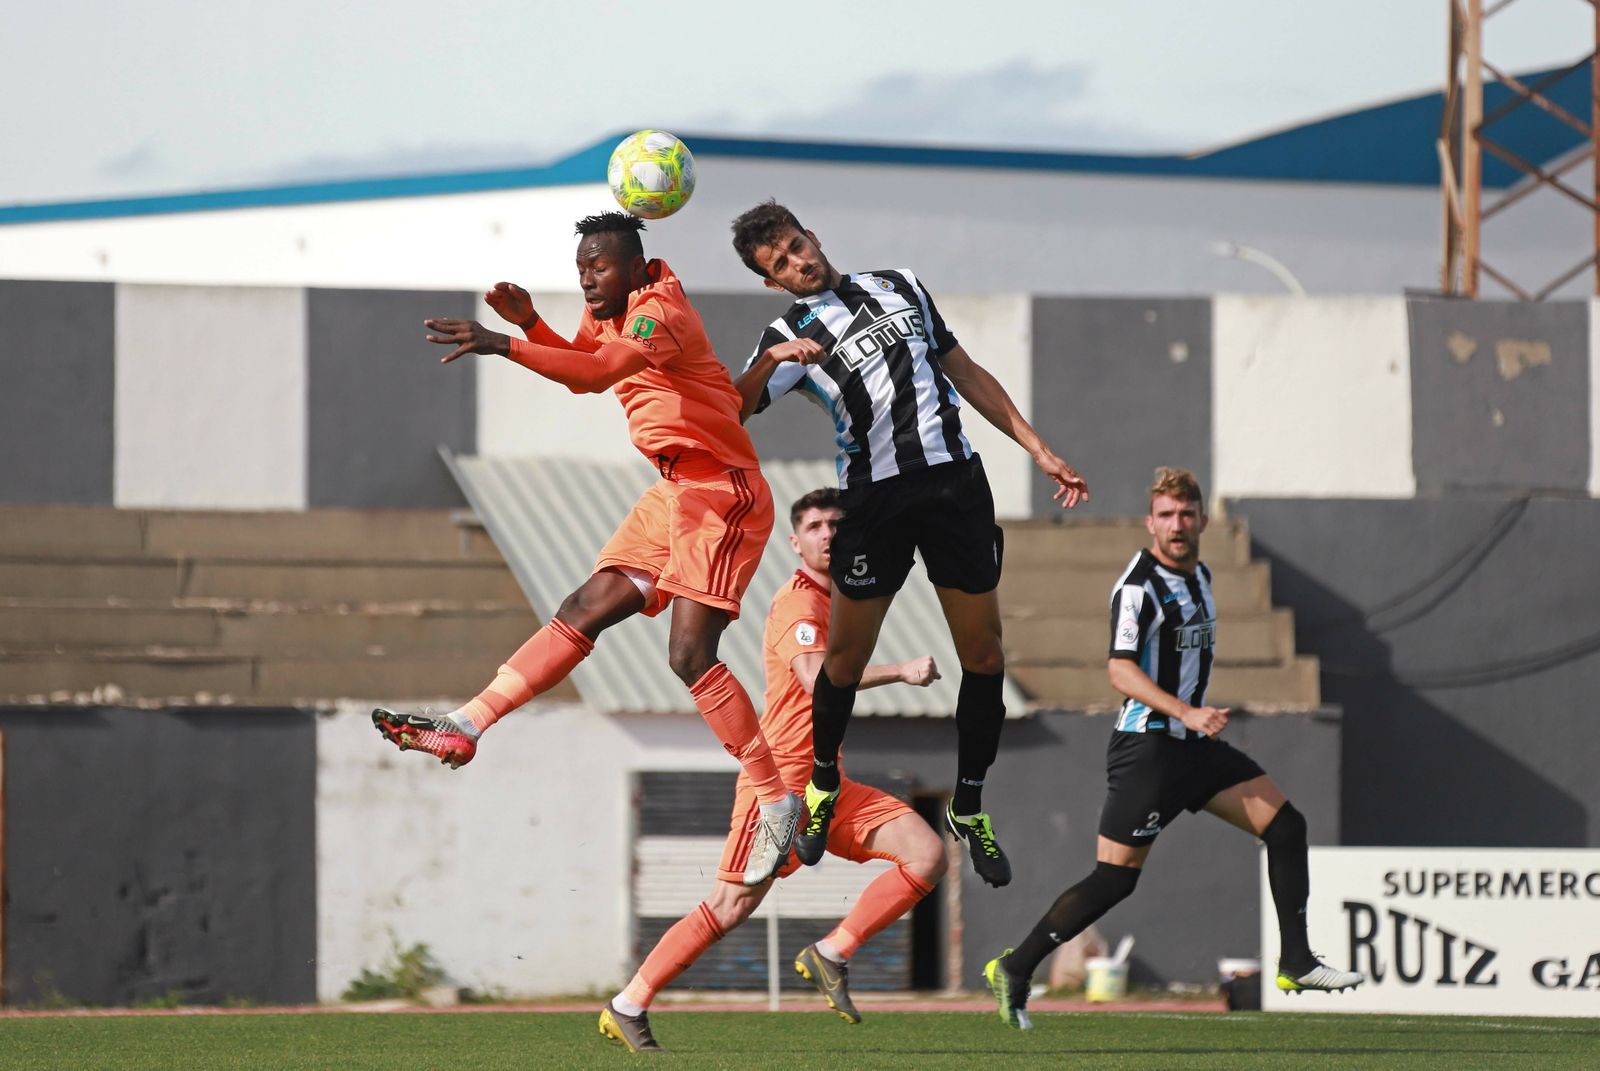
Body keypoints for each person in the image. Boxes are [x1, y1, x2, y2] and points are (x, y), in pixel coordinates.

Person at [372, 212, 801, 886]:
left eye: (598, 268)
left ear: (635, 267)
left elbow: (601, 372)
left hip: (723, 492)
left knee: (689, 656)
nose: (587, 280)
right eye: (581, 269)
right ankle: (467, 724)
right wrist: (532, 324)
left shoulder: (659, 311)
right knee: (584, 606)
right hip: (674, 489)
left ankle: (776, 800)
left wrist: (503, 344)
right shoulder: (612, 308)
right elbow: (581, 370)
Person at [727, 200, 1089, 890]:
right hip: (875, 502)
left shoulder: (900, 284)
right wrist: (771, 358)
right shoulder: (788, 332)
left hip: (955, 486)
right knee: (843, 660)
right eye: (781, 264)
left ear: (813, 235)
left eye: (798, 245)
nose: (799, 263)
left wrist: (1038, 448)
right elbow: (734, 408)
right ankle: (823, 783)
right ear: (772, 282)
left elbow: (966, 372)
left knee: (985, 655)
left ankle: (969, 805)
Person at [982, 467, 1363, 1030]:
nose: (1177, 525)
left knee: (1286, 826)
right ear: (1150, 523)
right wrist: (1186, 711)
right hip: (1149, 749)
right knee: (1115, 878)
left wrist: (1193, 718)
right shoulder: (1139, 587)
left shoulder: (1201, 575)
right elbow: (1119, 670)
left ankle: (1297, 961)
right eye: (1166, 515)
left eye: (1186, 514)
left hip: (1193, 747)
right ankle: (1015, 968)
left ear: (1203, 520)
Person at [600, 488, 948, 1054]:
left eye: (836, 525)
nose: (827, 534)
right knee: (730, 905)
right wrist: (901, 671)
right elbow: (814, 678)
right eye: (814, 527)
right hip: (781, 785)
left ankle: (831, 952)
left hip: (828, 784)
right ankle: (628, 1004)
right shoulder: (799, 604)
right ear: (795, 541)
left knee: (927, 854)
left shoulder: (842, 600)